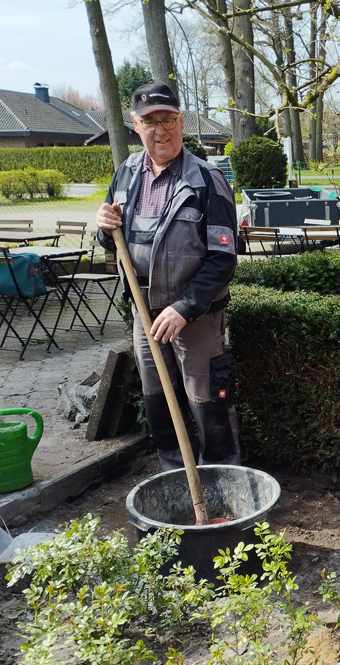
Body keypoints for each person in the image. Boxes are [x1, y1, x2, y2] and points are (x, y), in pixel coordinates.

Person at [96, 82, 240, 470]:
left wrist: (184, 308)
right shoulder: (125, 175)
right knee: (157, 400)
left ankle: (222, 478)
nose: (160, 130)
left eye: (168, 119)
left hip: (196, 317)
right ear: (135, 124)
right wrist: (103, 227)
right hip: (145, 316)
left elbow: (223, 259)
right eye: (150, 121)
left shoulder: (207, 180)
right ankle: (174, 476)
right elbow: (114, 244)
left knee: (206, 401)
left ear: (181, 120)